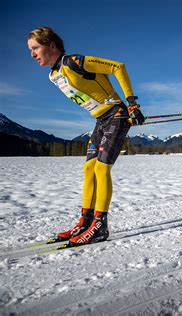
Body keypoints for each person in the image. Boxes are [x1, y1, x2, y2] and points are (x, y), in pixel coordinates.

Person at [27, 27, 145, 246]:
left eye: (35, 48)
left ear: (51, 45)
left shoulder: (75, 62)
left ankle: (100, 225)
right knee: (88, 169)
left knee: (101, 168)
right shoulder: (54, 74)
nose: (32, 54)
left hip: (117, 115)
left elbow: (117, 67)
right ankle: (85, 221)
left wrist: (132, 103)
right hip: (100, 120)